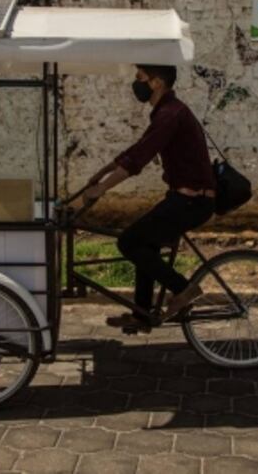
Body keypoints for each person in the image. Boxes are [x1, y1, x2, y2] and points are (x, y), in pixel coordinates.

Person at [80, 64, 216, 332]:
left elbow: (137, 160)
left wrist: (102, 189)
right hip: (184, 199)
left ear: (156, 83)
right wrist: (103, 171)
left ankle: (184, 289)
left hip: (192, 202)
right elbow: (139, 148)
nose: (136, 84)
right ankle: (142, 314)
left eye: (140, 78)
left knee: (128, 241)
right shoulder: (168, 111)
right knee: (145, 244)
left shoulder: (169, 115)